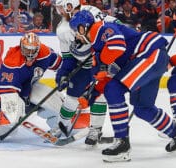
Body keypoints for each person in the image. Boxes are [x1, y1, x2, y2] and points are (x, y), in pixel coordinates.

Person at [69, 10, 176, 162]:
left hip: (149, 53)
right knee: (142, 108)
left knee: (113, 89)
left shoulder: (100, 28)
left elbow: (117, 45)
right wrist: (91, 95)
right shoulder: (99, 53)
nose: (76, 35)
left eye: (75, 30)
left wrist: (102, 66)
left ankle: (122, 144)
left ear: (83, 27)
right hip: (148, 59)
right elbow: (108, 78)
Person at [52, 0, 118, 147]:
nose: (59, 12)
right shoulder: (62, 28)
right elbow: (68, 56)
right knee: (71, 96)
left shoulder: (92, 11)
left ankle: (95, 129)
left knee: (98, 95)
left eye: (60, 8)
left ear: (69, 5)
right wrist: (63, 72)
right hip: (81, 63)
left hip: (100, 61)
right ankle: (62, 125)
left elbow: (114, 23)